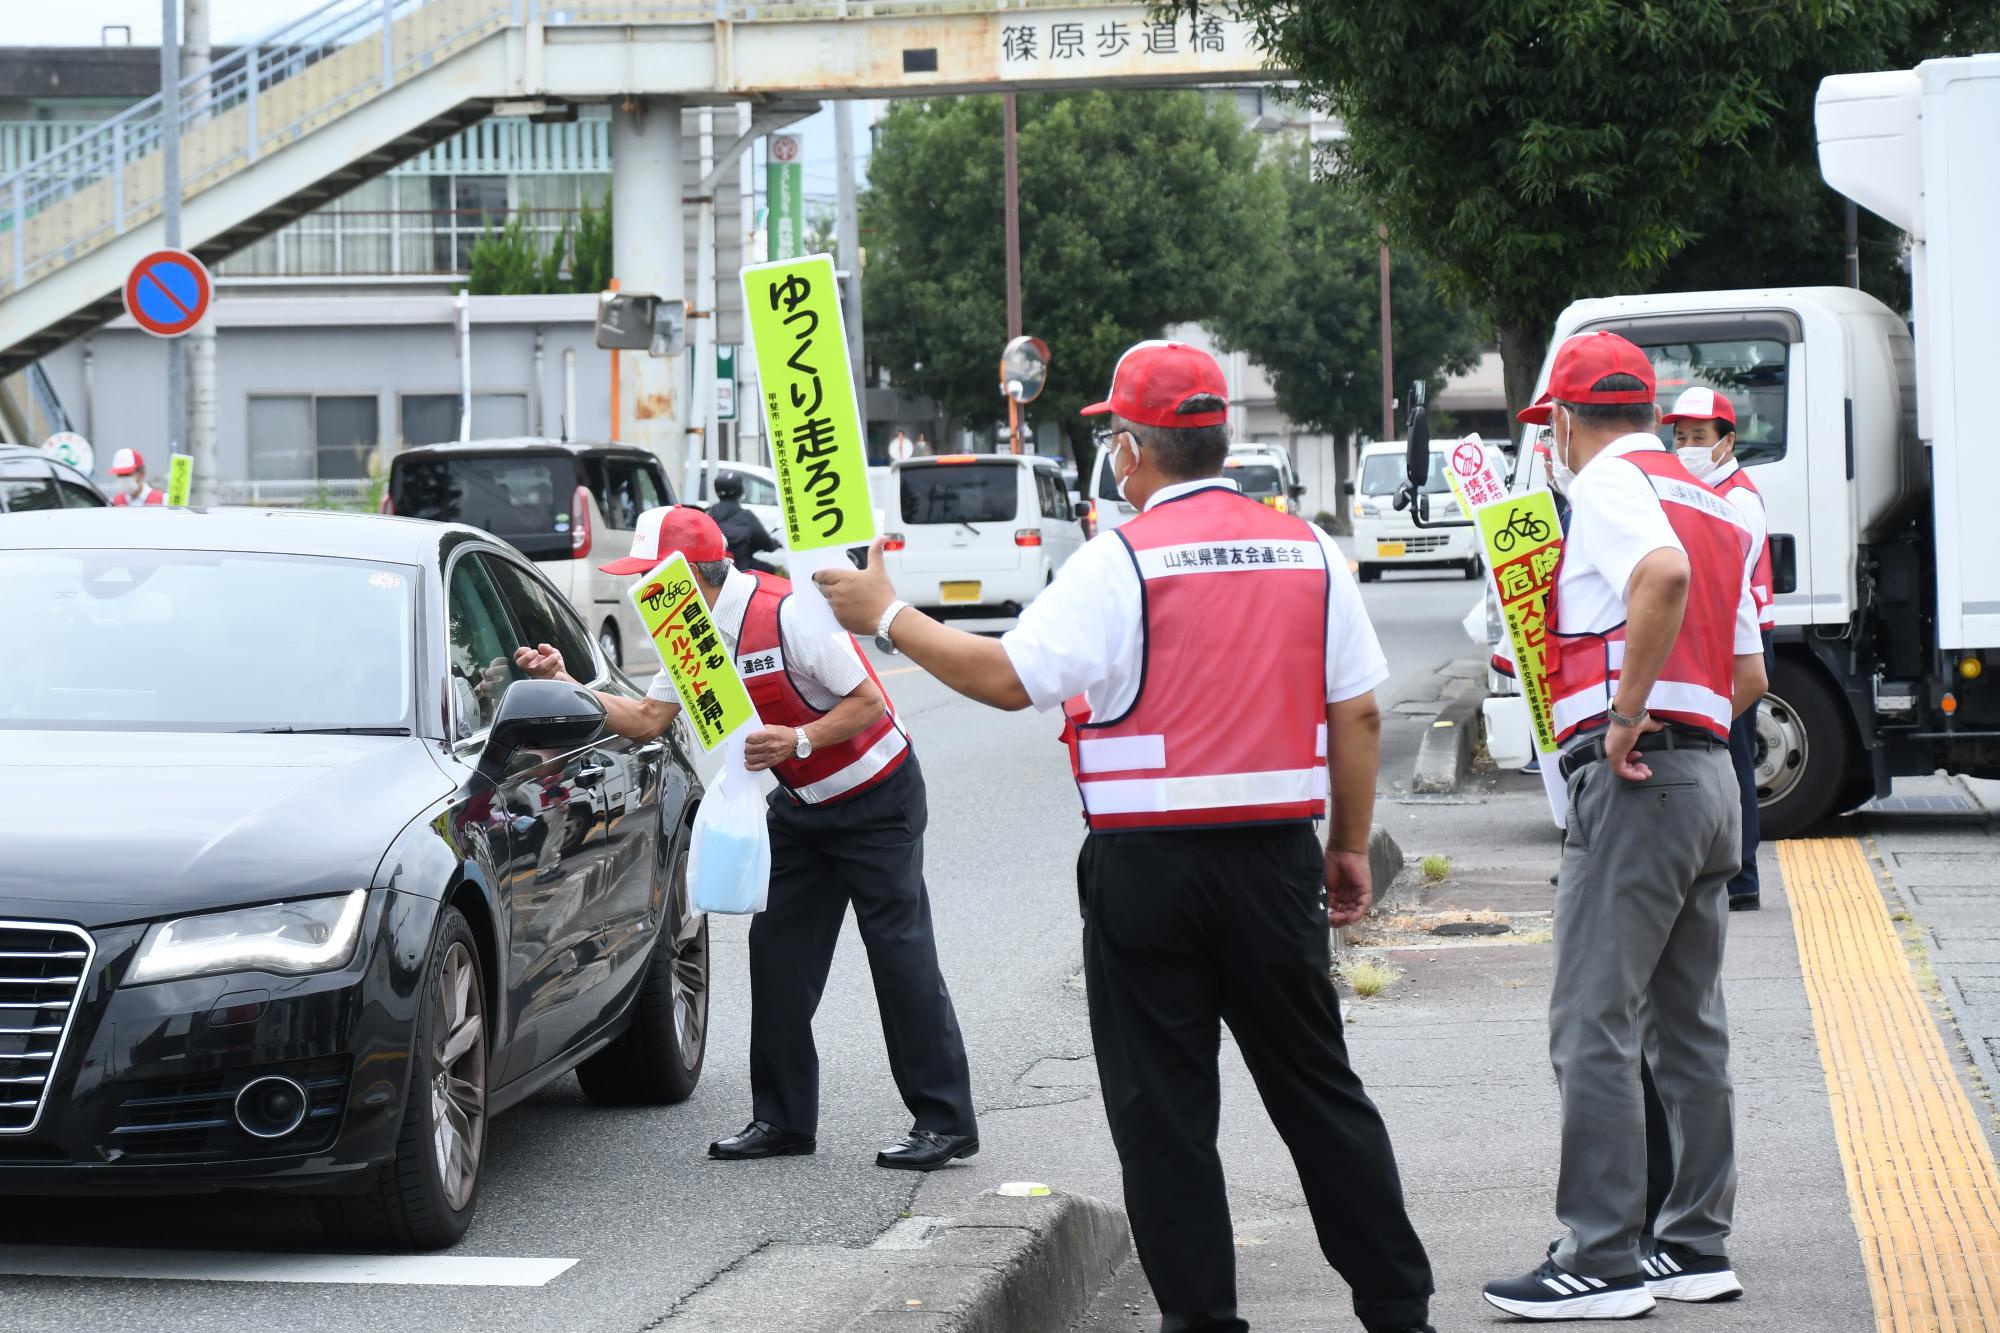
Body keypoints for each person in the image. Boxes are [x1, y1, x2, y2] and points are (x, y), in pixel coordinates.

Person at [817, 340, 1437, 1333]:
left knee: (1165, 1117)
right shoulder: (1307, 548)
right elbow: (1354, 715)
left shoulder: (1119, 562)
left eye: (1112, 433)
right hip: (1274, 859)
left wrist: (887, 612)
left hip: (1145, 872)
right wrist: (1347, 843)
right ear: (1219, 440)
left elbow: (1005, 677)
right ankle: (1398, 1312)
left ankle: (1201, 1322)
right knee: (1319, 1093)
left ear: (1134, 449)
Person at [512, 505, 978, 1171]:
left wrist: (800, 738)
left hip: (878, 798)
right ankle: (784, 1119)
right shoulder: (688, 628)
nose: (644, 592)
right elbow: (646, 719)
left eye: (651, 576)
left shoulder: (788, 612)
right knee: (777, 954)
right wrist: (565, 686)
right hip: (805, 807)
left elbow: (870, 700)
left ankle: (945, 1121)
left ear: (685, 573)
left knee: (899, 956)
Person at [1481, 333, 1766, 1320]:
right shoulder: (1708, 499)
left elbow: (1655, 578)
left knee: (1589, 1020)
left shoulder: (1606, 484)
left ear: (1562, 420)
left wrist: (1618, 714)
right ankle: (1691, 1245)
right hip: (1708, 782)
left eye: (1548, 429)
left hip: (1637, 783)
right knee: (1686, 1028)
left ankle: (1598, 1255)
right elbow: (1750, 678)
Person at [1664, 387, 1773, 911]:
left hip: (1739, 645)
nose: (1686, 446)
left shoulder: (1737, 498)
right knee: (1718, 757)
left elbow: (1726, 572)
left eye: (1698, 437)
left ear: (1726, 443)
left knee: (1732, 760)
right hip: (1715, 639)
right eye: (1680, 436)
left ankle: (1742, 878)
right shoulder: (1693, 491)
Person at [708, 470, 781, 573]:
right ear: (740, 490)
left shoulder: (708, 515)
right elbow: (767, 544)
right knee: (774, 571)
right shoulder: (746, 516)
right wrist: (775, 544)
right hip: (742, 571)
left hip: (713, 573)